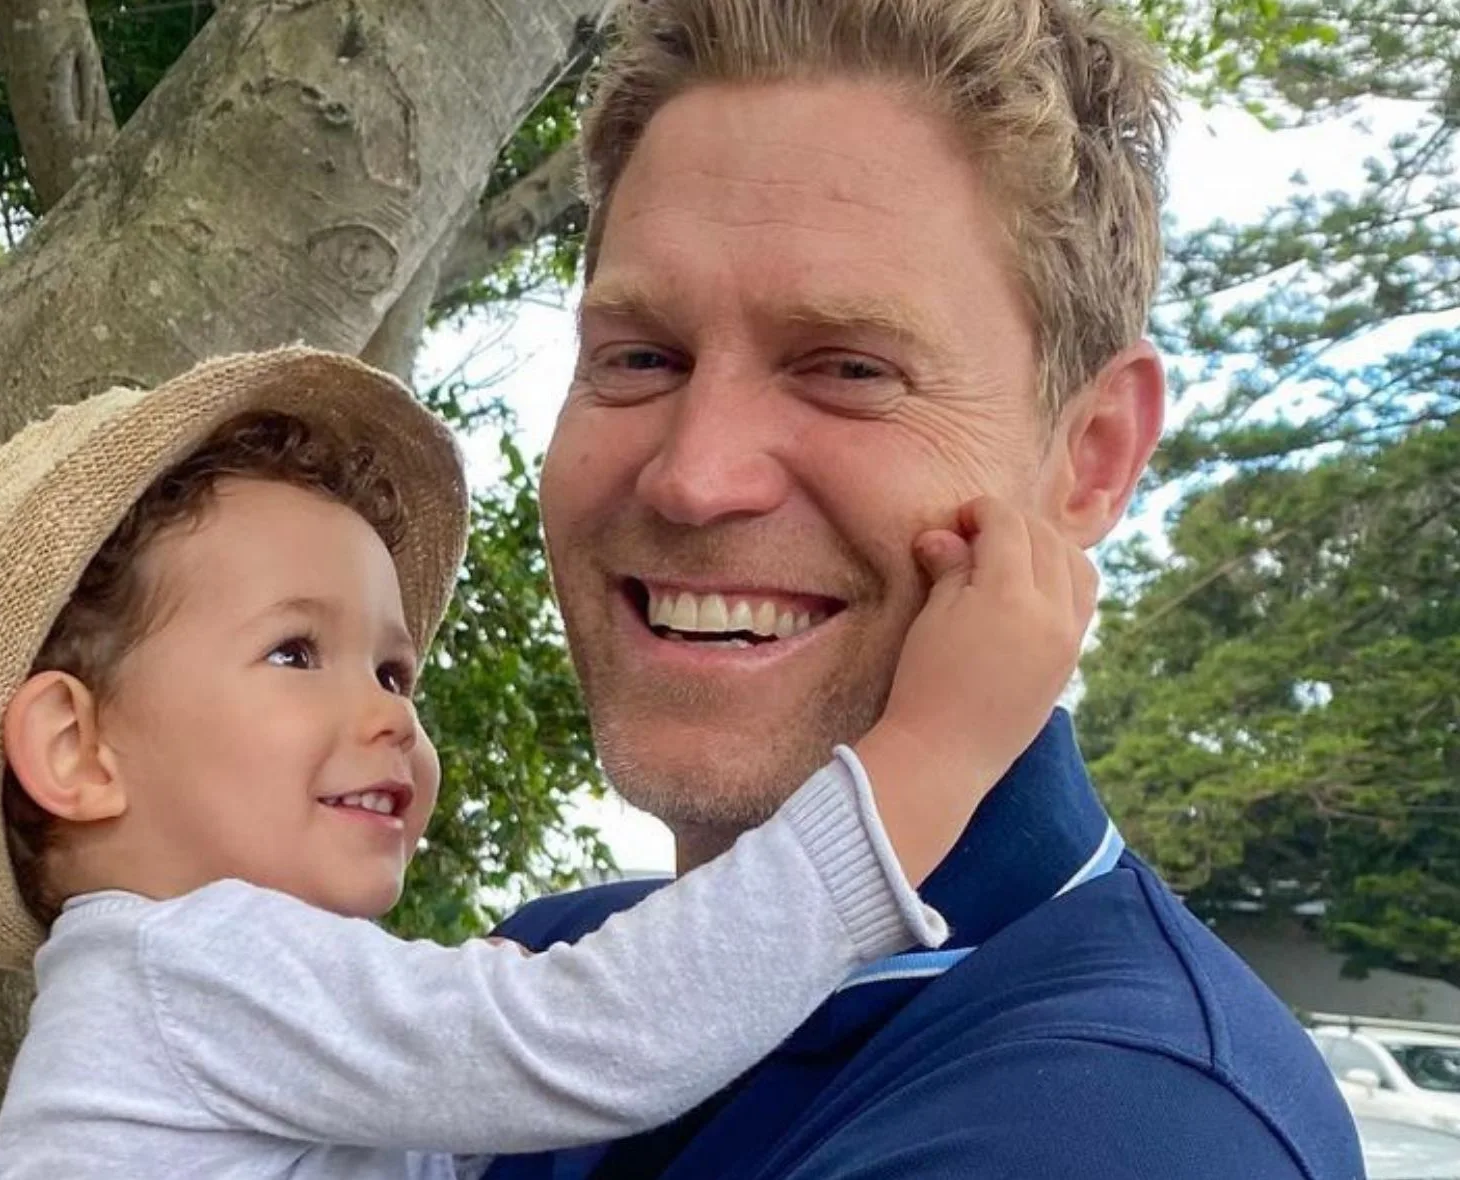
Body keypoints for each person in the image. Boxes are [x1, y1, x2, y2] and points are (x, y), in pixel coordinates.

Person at [483, 2, 1363, 1178]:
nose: (694, 476)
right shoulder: (544, 986)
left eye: (849, 368)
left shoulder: (1120, 1119)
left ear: (1092, 455)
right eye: (641, 356)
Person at [0, 347, 1094, 1179]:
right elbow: (605, 1033)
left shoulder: (205, 999)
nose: (389, 717)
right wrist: (935, 749)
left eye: (397, 672)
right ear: (78, 749)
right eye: (298, 653)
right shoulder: (190, 965)